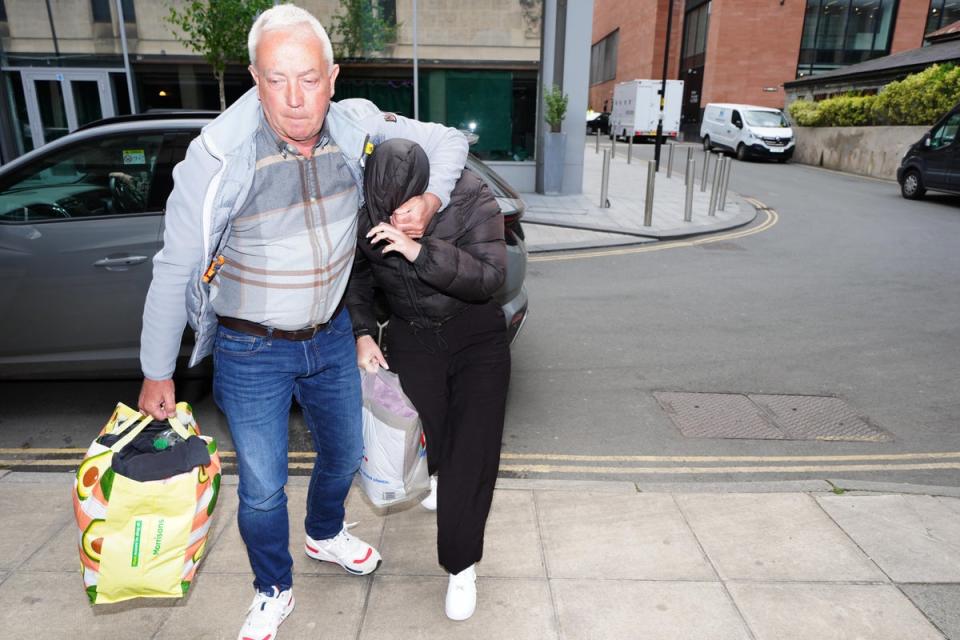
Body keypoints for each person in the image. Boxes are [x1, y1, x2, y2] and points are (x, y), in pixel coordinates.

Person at [136, 5, 468, 640]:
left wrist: (429, 199)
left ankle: (324, 533)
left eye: (309, 79)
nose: (294, 99)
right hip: (250, 348)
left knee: (343, 456)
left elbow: (450, 141)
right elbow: (173, 265)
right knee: (262, 488)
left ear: (333, 76)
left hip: (333, 337)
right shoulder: (215, 157)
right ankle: (272, 586)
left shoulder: (356, 125)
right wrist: (157, 372)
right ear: (254, 79)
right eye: (276, 79)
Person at [345, 138, 510, 621]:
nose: (392, 215)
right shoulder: (361, 206)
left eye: (404, 207)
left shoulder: (470, 195)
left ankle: (461, 566)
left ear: (427, 193)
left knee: (471, 453)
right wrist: (361, 331)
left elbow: (489, 277)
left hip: (475, 335)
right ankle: (439, 475)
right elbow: (355, 276)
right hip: (413, 336)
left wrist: (420, 251)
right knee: (426, 438)